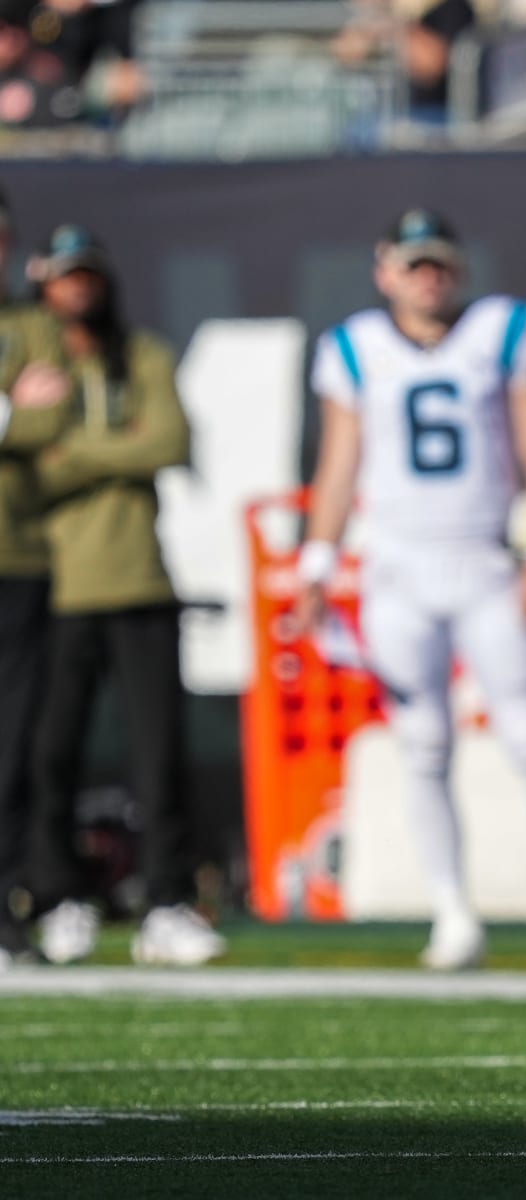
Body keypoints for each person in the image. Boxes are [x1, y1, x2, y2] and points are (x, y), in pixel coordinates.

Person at [298, 208, 526, 974]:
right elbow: (339, 465)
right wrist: (317, 566)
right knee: (423, 748)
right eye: (413, 265)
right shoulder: (355, 350)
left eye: (438, 263)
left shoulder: (503, 332)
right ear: (386, 271)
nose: (427, 277)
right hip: (398, 571)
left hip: (485, 564)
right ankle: (452, 913)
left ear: (459, 268)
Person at [25, 225, 223, 968]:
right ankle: (57, 895)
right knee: (49, 755)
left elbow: (166, 442)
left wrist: (70, 452)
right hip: (59, 580)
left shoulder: (140, 355)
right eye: (65, 277)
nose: (78, 290)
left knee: (159, 752)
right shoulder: (29, 360)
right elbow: (26, 460)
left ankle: (168, 900)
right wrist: (98, 453)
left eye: (89, 276)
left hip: (138, 576)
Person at [0, 191, 72, 968]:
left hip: (17, 556)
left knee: (14, 749)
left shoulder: (32, 326)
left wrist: (25, 419)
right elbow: (27, 419)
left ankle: (4, 907)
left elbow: (55, 420)